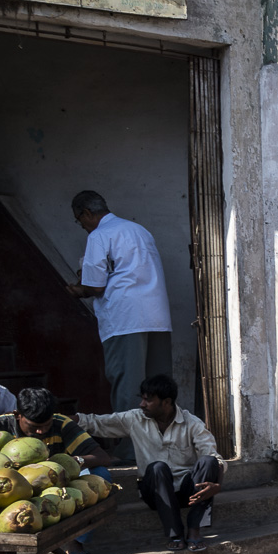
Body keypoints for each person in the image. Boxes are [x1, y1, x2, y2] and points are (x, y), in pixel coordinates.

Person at [65, 191, 172, 459]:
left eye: (81, 221)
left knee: (129, 386)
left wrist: (78, 290)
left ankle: (130, 452)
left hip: (125, 319)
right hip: (156, 316)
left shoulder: (99, 235)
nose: (83, 226)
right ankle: (166, 447)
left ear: (86, 214)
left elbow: (95, 284)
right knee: (158, 388)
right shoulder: (139, 230)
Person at [78, 375, 225, 553]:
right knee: (157, 467)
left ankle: (194, 530)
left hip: (188, 492)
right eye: (142, 399)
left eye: (148, 400)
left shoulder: (192, 423)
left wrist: (217, 484)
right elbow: (96, 423)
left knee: (209, 462)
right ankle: (175, 534)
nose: (142, 404)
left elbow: (213, 456)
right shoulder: (135, 419)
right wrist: (60, 420)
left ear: (166, 402)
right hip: (155, 491)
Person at [0, 387, 115, 554]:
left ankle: (75, 539)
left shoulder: (61, 423)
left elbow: (102, 457)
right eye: (34, 427)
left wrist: (70, 462)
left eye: (46, 425)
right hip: (8, 494)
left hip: (57, 488)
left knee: (101, 475)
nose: (41, 432)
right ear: (17, 415)